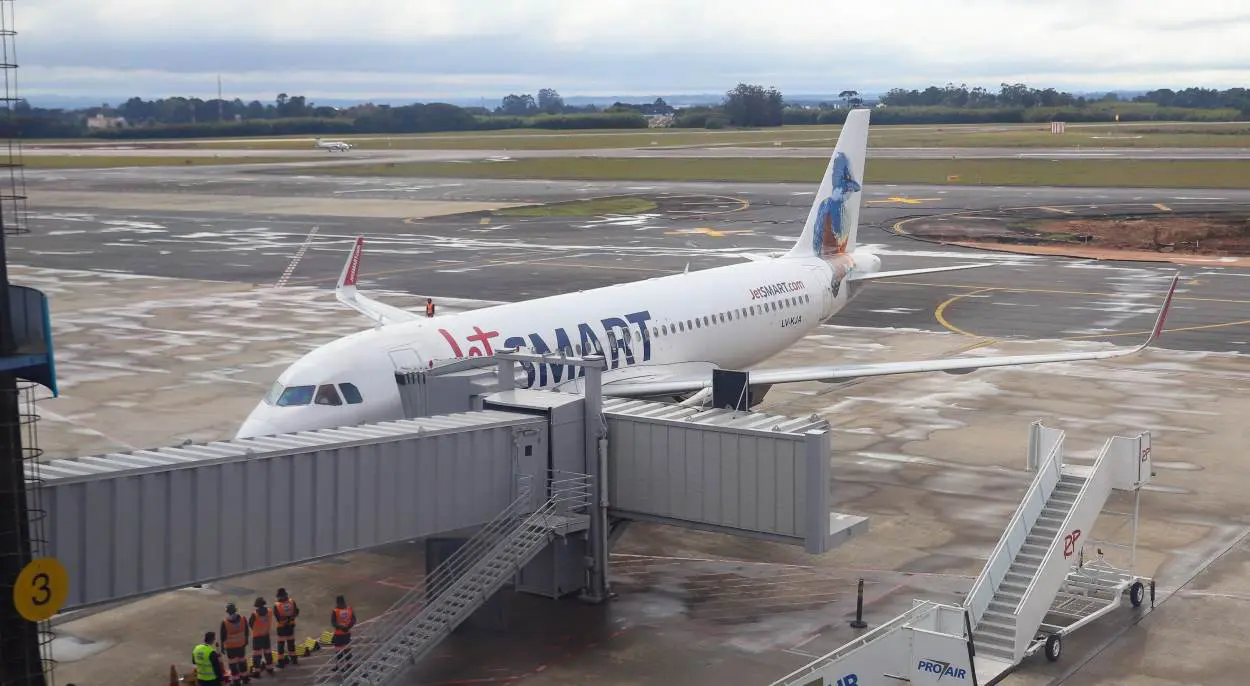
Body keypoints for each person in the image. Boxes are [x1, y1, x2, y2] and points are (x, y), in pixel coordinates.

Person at [219, 603, 250, 684]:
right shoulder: (243, 619)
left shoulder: (225, 622)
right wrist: (246, 640)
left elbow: (222, 636)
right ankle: (245, 678)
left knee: (233, 664)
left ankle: (236, 681)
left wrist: (222, 647)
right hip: (241, 645)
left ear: (227, 611)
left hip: (230, 647)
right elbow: (246, 631)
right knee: (242, 661)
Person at [248, 597, 276, 678]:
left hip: (257, 636)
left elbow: (250, 624)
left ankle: (256, 672)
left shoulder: (254, 614)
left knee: (257, 655)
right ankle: (270, 668)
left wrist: (256, 629)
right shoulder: (269, 611)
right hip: (266, 635)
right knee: (268, 652)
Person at [272, 587, 301, 668]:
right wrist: (291, 618)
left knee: (281, 645)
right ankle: (294, 659)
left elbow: (278, 618)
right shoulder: (292, 602)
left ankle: (281, 662)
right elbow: (297, 611)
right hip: (291, 625)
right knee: (291, 643)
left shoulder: (277, 605)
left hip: (282, 627)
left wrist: (285, 620)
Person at [330, 595, 356, 672]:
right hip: (347, 633)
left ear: (337, 602)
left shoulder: (335, 611)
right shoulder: (349, 609)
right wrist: (348, 626)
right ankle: (349, 665)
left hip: (338, 634)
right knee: (347, 649)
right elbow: (354, 620)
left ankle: (340, 667)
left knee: (338, 651)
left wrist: (341, 627)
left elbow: (333, 623)